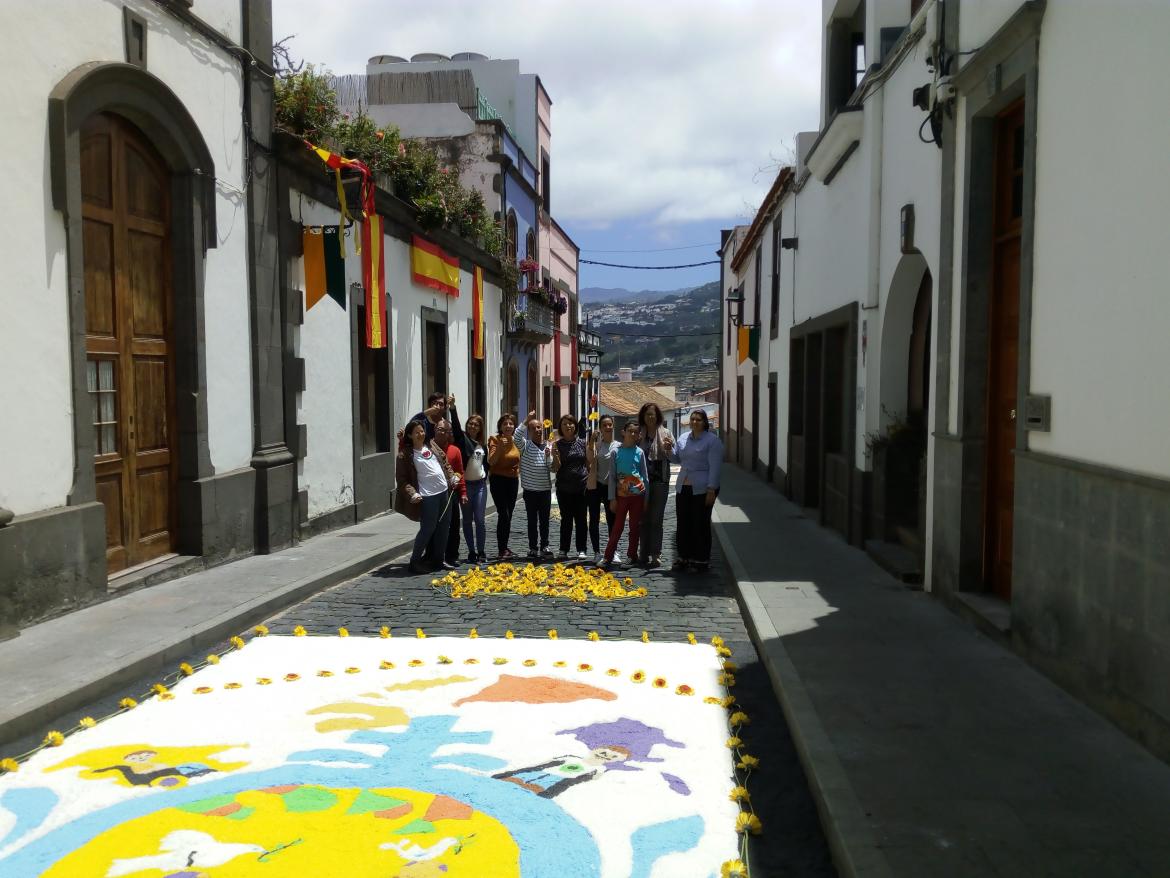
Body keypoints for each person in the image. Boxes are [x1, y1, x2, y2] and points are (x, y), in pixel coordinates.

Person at [395, 419, 460, 574]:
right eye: (417, 432)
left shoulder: (431, 445)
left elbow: (445, 462)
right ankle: (415, 561)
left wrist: (452, 477)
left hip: (444, 492)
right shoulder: (405, 455)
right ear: (410, 435)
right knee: (428, 528)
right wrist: (413, 493)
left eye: (422, 431)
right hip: (428, 496)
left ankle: (439, 559)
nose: (421, 434)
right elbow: (402, 479)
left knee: (444, 527)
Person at [667, 409, 723, 572]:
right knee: (683, 522)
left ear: (704, 422)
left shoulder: (712, 441)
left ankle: (701, 559)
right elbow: (677, 459)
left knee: (700, 523)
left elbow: (715, 467)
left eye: (698, 420)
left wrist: (711, 489)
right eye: (692, 419)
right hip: (683, 486)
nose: (694, 422)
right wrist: (669, 450)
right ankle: (683, 556)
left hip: (703, 487)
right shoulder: (684, 438)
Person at [600, 422, 649, 568]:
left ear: (638, 435)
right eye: (630, 431)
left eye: (635, 432)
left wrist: (646, 498)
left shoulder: (639, 452)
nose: (632, 434)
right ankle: (608, 556)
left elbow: (645, 477)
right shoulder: (616, 452)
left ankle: (632, 556)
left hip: (637, 497)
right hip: (621, 497)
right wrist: (612, 498)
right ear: (623, 432)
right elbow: (612, 477)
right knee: (617, 527)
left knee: (634, 528)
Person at [636, 402, 675, 568]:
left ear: (657, 416)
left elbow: (673, 456)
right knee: (643, 519)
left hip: (660, 481)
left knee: (656, 519)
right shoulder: (638, 434)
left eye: (652, 414)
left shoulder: (666, 433)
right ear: (643, 418)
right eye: (647, 415)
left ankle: (655, 554)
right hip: (641, 483)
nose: (650, 417)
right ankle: (643, 553)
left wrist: (668, 449)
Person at [514, 411, 554, 560]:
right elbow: (516, 436)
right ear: (529, 431)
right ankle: (532, 547)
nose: (538, 430)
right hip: (530, 491)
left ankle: (545, 546)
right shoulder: (525, 446)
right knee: (532, 521)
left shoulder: (547, 446)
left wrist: (549, 456)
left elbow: (551, 468)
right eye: (535, 428)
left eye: (540, 428)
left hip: (545, 490)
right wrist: (526, 420)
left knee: (544, 521)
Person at [451, 406, 488, 564]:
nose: (472, 426)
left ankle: (481, 551)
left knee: (479, 519)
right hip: (466, 486)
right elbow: (456, 429)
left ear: (480, 428)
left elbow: (485, 465)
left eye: (476, 424)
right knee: (467, 520)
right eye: (470, 424)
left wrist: (484, 475)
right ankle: (471, 551)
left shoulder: (482, 445)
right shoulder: (462, 440)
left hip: (480, 485)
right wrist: (453, 409)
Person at [551, 413, 589, 560]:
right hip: (564, 488)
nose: (568, 426)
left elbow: (587, 463)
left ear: (575, 426)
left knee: (581, 519)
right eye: (565, 424)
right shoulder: (557, 445)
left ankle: (581, 549)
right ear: (561, 427)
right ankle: (564, 549)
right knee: (565, 519)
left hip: (581, 487)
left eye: (571, 423)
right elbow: (555, 468)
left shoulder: (582, 443)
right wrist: (555, 456)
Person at [434, 418, 468, 567]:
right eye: (440, 429)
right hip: (434, 493)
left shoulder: (455, 451)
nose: (443, 433)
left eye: (446, 431)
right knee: (435, 526)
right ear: (435, 430)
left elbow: (460, 473)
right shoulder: (428, 448)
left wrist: (463, 493)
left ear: (450, 434)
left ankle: (452, 555)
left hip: (451, 493)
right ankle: (435, 556)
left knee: (454, 525)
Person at [487, 414, 521, 560]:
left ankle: (505, 547)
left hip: (513, 481)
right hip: (498, 480)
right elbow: (491, 461)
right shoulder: (495, 440)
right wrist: (500, 447)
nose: (508, 426)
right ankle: (502, 549)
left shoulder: (516, 440)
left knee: (509, 515)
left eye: (511, 424)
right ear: (500, 426)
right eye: (505, 424)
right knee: (504, 514)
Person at [585, 415, 617, 564]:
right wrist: (592, 440)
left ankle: (613, 551)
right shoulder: (597, 445)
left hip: (611, 487)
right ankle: (597, 552)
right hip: (595, 486)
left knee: (612, 520)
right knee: (594, 520)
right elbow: (590, 459)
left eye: (610, 424)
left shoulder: (619, 446)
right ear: (600, 428)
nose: (608, 427)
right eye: (605, 425)